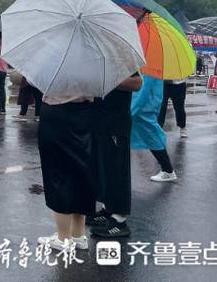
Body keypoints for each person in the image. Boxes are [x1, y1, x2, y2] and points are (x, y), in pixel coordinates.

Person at [37, 96, 96, 252]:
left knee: (58, 172)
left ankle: (63, 238)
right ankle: (78, 235)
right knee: (81, 172)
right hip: (85, 112)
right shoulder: (95, 78)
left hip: (57, 111)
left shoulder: (56, 77)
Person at [87, 74, 143, 239]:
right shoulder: (97, 59)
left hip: (116, 121)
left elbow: (137, 83)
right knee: (103, 168)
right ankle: (108, 211)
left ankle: (119, 221)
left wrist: (106, 80)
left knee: (117, 170)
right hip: (99, 120)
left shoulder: (123, 59)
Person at [130, 74, 178, 182]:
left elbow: (142, 90)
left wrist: (131, 109)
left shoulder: (148, 69)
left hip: (144, 108)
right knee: (151, 137)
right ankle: (167, 170)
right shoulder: (152, 68)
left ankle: (168, 170)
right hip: (146, 106)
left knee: (152, 137)